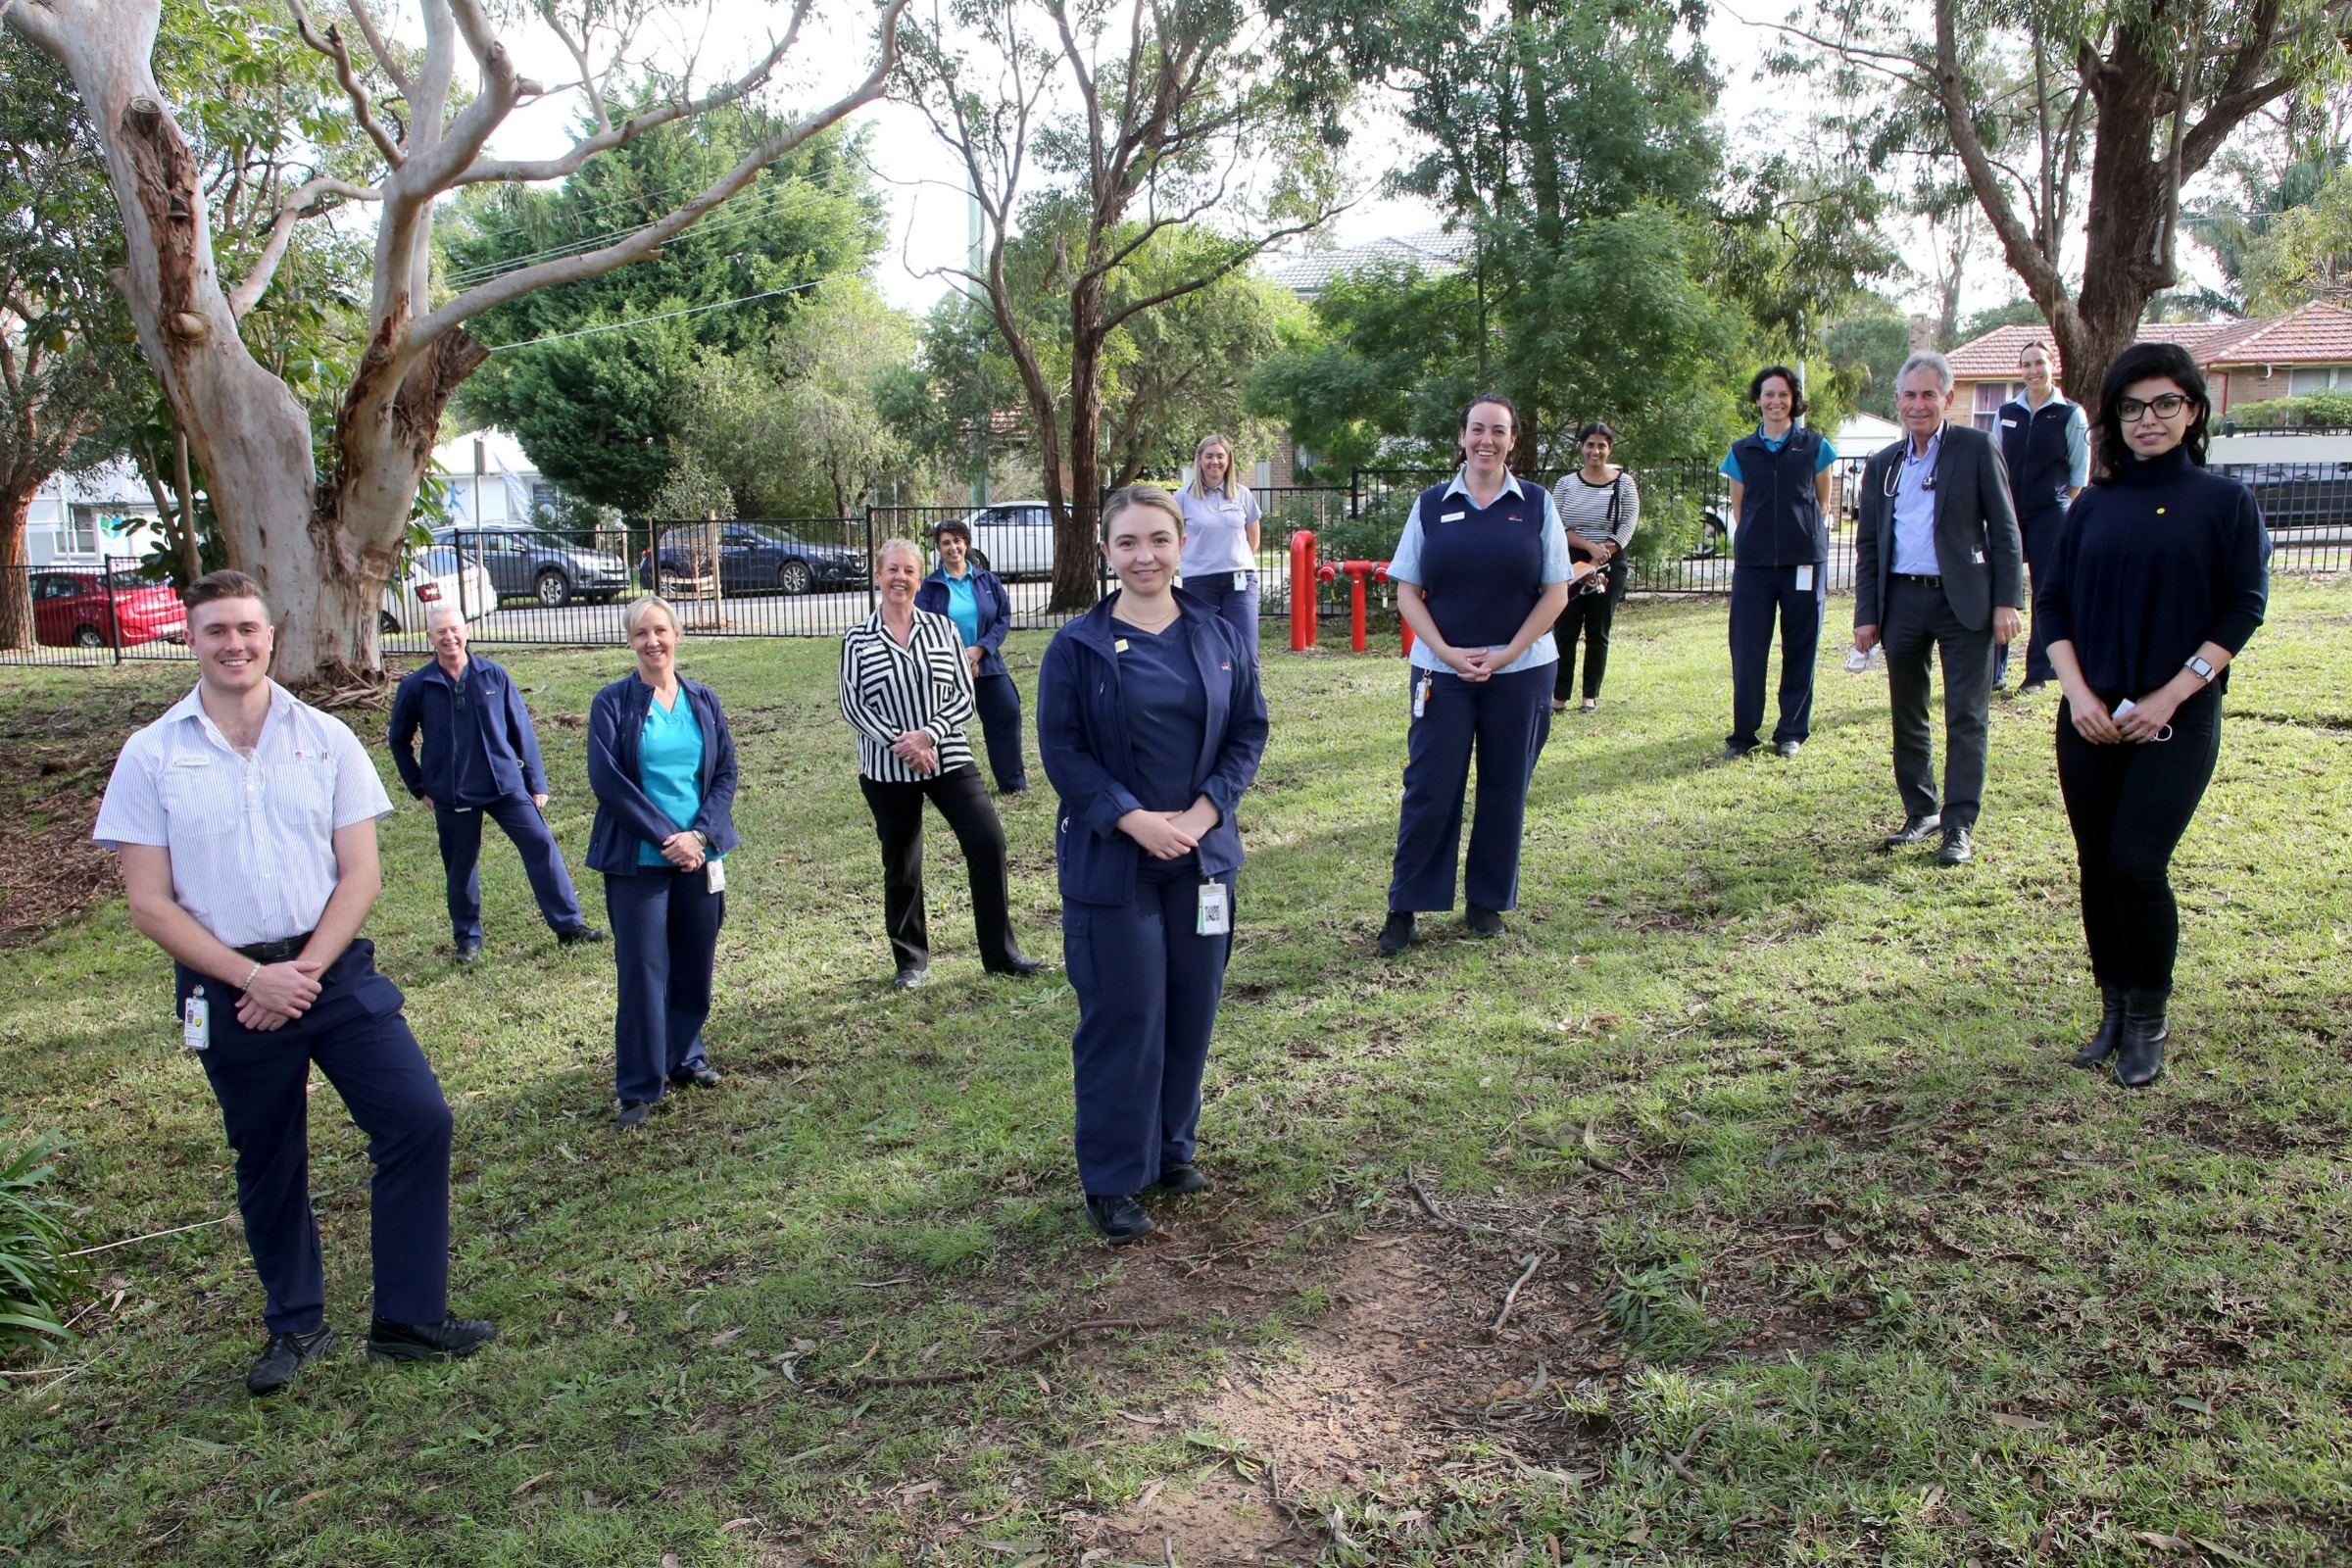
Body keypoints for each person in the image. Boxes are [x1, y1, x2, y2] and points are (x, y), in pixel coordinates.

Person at [90, 570, 495, 1396]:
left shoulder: (325, 738)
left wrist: (303, 972)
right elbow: (148, 902)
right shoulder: (153, 754)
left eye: (248, 628)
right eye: (216, 631)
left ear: (271, 635)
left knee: (418, 1118)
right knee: (268, 1157)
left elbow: (361, 874)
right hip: (228, 987)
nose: (235, 644)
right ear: (190, 639)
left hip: (331, 972)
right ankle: (296, 1324)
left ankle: (410, 1318)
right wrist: (253, 977)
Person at [1037, 484, 1267, 1245]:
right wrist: (1133, 820)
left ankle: (1171, 1149)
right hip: (1115, 862)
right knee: (1123, 1016)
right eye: (1128, 543)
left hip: (1202, 859)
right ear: (1106, 551)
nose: (1145, 556)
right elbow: (1063, 752)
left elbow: (1247, 733)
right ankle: (1111, 1178)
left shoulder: (1219, 633)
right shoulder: (1076, 647)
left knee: (1191, 1007)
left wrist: (1204, 815)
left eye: (1159, 540)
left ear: (1182, 546)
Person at [2037, 342, 2269, 1089]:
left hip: (2175, 718)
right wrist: (2078, 694)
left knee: (2137, 865)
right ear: (2114, 418)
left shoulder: (2224, 503)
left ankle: (2148, 1017)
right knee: (2096, 868)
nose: (2149, 419)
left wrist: (2174, 691)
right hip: (2092, 717)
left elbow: (2244, 608)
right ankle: (2112, 1007)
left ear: (2194, 410)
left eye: (2166, 403)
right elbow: (2056, 608)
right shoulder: (2092, 505)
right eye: (2133, 407)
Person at [1378, 394, 1578, 956]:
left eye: (1498, 431)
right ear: (1462, 436)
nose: (1486, 440)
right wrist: (1442, 648)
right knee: (1430, 787)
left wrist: (1509, 653)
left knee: (1503, 787)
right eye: (1476, 430)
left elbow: (1556, 590)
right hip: (1442, 670)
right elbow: (1407, 592)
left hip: (1522, 671)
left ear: (1512, 441)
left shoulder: (1536, 504)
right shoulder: (1432, 504)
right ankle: (1406, 905)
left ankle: (1486, 902)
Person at [844, 538, 1047, 989]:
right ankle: (910, 963)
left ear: (920, 579)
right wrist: (903, 744)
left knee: (988, 842)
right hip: (886, 766)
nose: (900, 578)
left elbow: (962, 694)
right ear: (878, 576)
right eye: (891, 569)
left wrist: (928, 735)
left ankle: (1001, 955)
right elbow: (852, 704)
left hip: (948, 753)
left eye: (909, 571)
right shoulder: (857, 638)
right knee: (903, 862)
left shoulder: (943, 630)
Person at [1853, 351, 2026, 866]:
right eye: (1909, 394)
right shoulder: (1883, 464)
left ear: (1948, 399)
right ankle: (1921, 811)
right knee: (1907, 713)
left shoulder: (1976, 448)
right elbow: (1868, 546)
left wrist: (2006, 601)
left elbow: (2007, 530)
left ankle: (1958, 825)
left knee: (1966, 714)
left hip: (1965, 602)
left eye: (1929, 394)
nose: (1918, 404)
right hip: (1902, 601)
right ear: (1898, 401)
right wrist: (1867, 614)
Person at [586, 596, 740, 1128]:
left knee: (695, 962)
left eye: (661, 631)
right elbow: (609, 783)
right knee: (644, 970)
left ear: (677, 634)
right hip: (640, 861)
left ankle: (685, 1056)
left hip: (702, 856)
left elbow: (725, 774)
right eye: (641, 634)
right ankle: (638, 1085)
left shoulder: (703, 700)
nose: (653, 642)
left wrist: (698, 836)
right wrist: (669, 838)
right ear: (630, 641)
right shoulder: (612, 704)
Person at [388, 604, 605, 961]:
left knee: (541, 845)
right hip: (453, 792)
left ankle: (569, 926)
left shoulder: (493, 675)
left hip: (505, 785)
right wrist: (420, 788)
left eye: (454, 629)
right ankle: (468, 940)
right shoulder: (416, 686)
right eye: (441, 631)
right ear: (429, 638)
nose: (449, 637)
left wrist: (536, 782)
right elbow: (399, 740)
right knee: (461, 868)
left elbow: (521, 729)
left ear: (466, 631)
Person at [1721, 367, 1838, 760]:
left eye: (1783, 395)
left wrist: (1799, 533)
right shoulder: (1740, 451)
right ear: (1758, 399)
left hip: (1803, 562)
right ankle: (1743, 734)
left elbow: (1821, 502)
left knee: (1801, 647)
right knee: (1748, 649)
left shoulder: (1815, 446)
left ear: (1794, 399)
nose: (1775, 402)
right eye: (1768, 394)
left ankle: (1791, 731)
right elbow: (1740, 507)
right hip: (1754, 566)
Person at [1992, 340, 2090, 694]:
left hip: (2051, 515)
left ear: (2052, 366)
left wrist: (2062, 509)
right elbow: (1995, 464)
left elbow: (2079, 475)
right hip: (2009, 514)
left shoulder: (2070, 414)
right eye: (2025, 365)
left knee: (2045, 594)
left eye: (2038, 363)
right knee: (2001, 590)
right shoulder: (2006, 412)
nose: (2032, 371)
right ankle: (1995, 672)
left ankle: (2039, 672)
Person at [914, 519, 1030, 794]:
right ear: (938, 548)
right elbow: (923, 625)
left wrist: (978, 650)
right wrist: (959, 658)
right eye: (946, 543)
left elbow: (1002, 618)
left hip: (987, 662)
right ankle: (940, 785)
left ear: (966, 544)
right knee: (942, 726)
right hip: (945, 668)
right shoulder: (930, 587)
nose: (953, 547)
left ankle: (1012, 783)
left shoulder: (987, 580)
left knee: (1007, 711)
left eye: (957, 541)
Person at [1547, 420, 1641, 713]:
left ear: (1609, 448)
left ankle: (1590, 696)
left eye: (1601, 445)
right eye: (1590, 444)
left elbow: (1629, 523)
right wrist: (1588, 549)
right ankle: (1559, 696)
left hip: (1610, 561)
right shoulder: (1565, 484)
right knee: (1565, 630)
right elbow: (1556, 523)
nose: (1595, 451)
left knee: (1598, 631)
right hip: (1571, 560)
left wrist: (1603, 553)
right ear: (1581, 447)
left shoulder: (1624, 483)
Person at [1176, 433, 1264, 652]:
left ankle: (1248, 688)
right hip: (1199, 582)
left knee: (1245, 649)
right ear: (1199, 459)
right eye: (1209, 456)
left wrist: (1237, 559)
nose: (1214, 461)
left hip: (1239, 580)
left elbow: (1253, 534)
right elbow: (1173, 536)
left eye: (1220, 456)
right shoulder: (1182, 497)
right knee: (1207, 650)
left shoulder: (1242, 494)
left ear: (1228, 460)